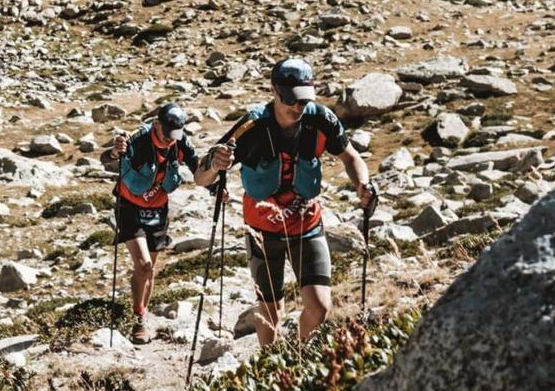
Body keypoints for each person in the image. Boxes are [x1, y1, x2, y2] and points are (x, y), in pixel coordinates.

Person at [195, 58, 374, 346]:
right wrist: (215, 165)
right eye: (291, 100)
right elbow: (200, 178)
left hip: (308, 226)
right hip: (262, 233)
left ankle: (301, 357)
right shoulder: (251, 127)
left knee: (319, 307)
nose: (298, 108)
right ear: (274, 92)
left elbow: (351, 157)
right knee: (270, 313)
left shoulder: (320, 119)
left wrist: (362, 183)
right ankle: (272, 367)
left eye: (303, 100)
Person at [109, 103, 200, 344]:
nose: (171, 140)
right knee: (144, 265)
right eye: (167, 134)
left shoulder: (180, 141)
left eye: (175, 135)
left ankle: (141, 312)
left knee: (150, 270)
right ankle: (138, 321)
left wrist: (216, 186)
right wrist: (114, 152)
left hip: (159, 210)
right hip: (130, 208)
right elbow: (107, 159)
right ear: (156, 124)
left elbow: (198, 168)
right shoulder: (137, 140)